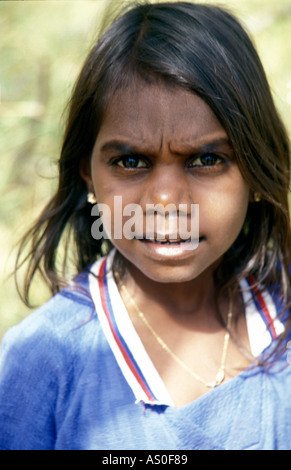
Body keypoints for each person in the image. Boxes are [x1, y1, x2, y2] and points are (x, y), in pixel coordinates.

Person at [0, 1, 291, 451]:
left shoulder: (281, 325)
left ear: (255, 171)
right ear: (87, 173)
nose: (165, 201)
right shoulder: (43, 360)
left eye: (207, 160)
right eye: (131, 162)